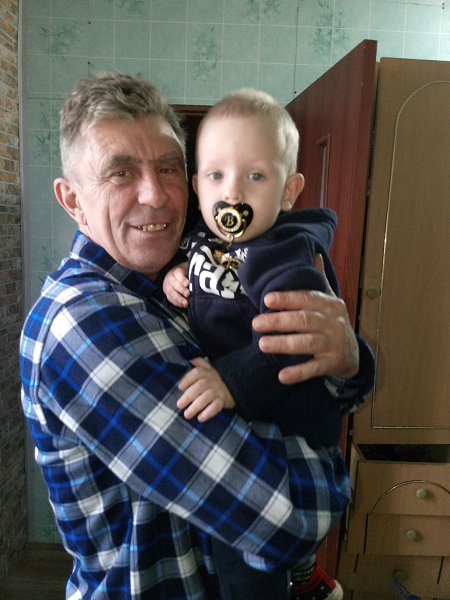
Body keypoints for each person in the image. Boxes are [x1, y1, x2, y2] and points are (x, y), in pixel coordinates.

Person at [20, 72, 374, 600]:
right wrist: (331, 473)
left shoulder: (179, 278)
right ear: (72, 200)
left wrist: (350, 360)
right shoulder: (83, 323)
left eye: (168, 167)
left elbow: (305, 354)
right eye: (121, 172)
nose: (156, 195)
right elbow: (288, 519)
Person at [162, 89, 372, 600]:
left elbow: (296, 339)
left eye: (255, 176)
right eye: (216, 175)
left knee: (244, 557)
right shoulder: (205, 240)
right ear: (197, 185)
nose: (232, 191)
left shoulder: (282, 252)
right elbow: (209, 275)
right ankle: (305, 578)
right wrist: (175, 275)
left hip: (287, 423)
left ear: (289, 190)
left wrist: (231, 381)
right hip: (251, 418)